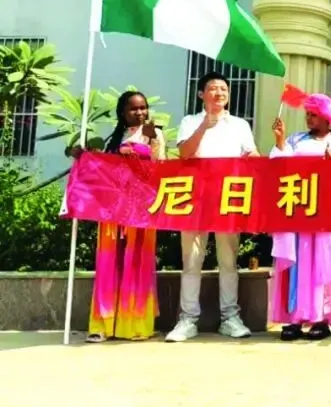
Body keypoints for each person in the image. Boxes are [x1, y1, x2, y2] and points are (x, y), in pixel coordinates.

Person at [166, 71, 256, 343]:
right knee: (192, 260)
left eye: (223, 89)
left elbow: (251, 156)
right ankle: (188, 319)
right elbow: (184, 154)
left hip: (228, 197)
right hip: (196, 197)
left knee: (228, 260)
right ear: (201, 94)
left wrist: (258, 157)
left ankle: (230, 317)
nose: (219, 93)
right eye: (213, 88)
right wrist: (205, 126)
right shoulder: (190, 121)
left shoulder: (240, 125)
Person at [267, 94, 331, 342]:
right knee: (297, 263)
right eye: (308, 114)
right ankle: (293, 318)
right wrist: (280, 141)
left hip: (325, 213)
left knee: (322, 263)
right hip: (299, 211)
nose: (309, 119)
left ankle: (320, 318)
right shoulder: (295, 139)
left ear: (326, 117)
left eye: (314, 114)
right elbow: (279, 167)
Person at [84, 91, 164, 343]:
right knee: (109, 263)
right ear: (122, 113)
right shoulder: (114, 137)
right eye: (134, 109)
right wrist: (86, 156)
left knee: (137, 262)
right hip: (113, 210)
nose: (140, 113)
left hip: (141, 209)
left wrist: (148, 147)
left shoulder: (153, 133)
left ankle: (135, 325)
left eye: (143, 107)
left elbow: (160, 168)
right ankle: (103, 325)